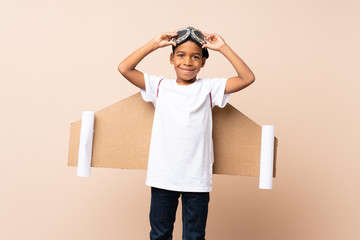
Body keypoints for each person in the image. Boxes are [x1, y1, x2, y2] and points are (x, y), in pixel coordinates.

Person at [118, 26, 255, 240]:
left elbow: (247, 78)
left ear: (203, 62)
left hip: (196, 179)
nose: (188, 62)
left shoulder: (210, 88)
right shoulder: (160, 87)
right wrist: (154, 43)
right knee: (160, 234)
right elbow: (124, 68)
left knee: (194, 236)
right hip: (163, 177)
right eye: (181, 55)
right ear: (172, 59)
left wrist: (223, 47)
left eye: (195, 57)